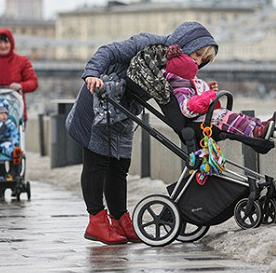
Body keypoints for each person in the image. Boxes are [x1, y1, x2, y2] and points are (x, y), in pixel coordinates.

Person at [65, 21, 219, 245]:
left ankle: (120, 220)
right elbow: (108, 51)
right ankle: (96, 221)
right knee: (96, 162)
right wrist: (91, 74)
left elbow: (175, 103)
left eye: (202, 60)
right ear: (185, 42)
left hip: (123, 110)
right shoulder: (149, 44)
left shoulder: (175, 71)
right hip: (99, 97)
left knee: (119, 166)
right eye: (196, 54)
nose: (197, 61)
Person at [163, 44, 276, 139]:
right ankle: (255, 132)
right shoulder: (180, 86)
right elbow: (188, 109)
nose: (198, 63)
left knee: (236, 116)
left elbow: (194, 96)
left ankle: (261, 125)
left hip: (205, 114)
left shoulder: (185, 81)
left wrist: (206, 89)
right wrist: (207, 96)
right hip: (199, 120)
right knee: (229, 118)